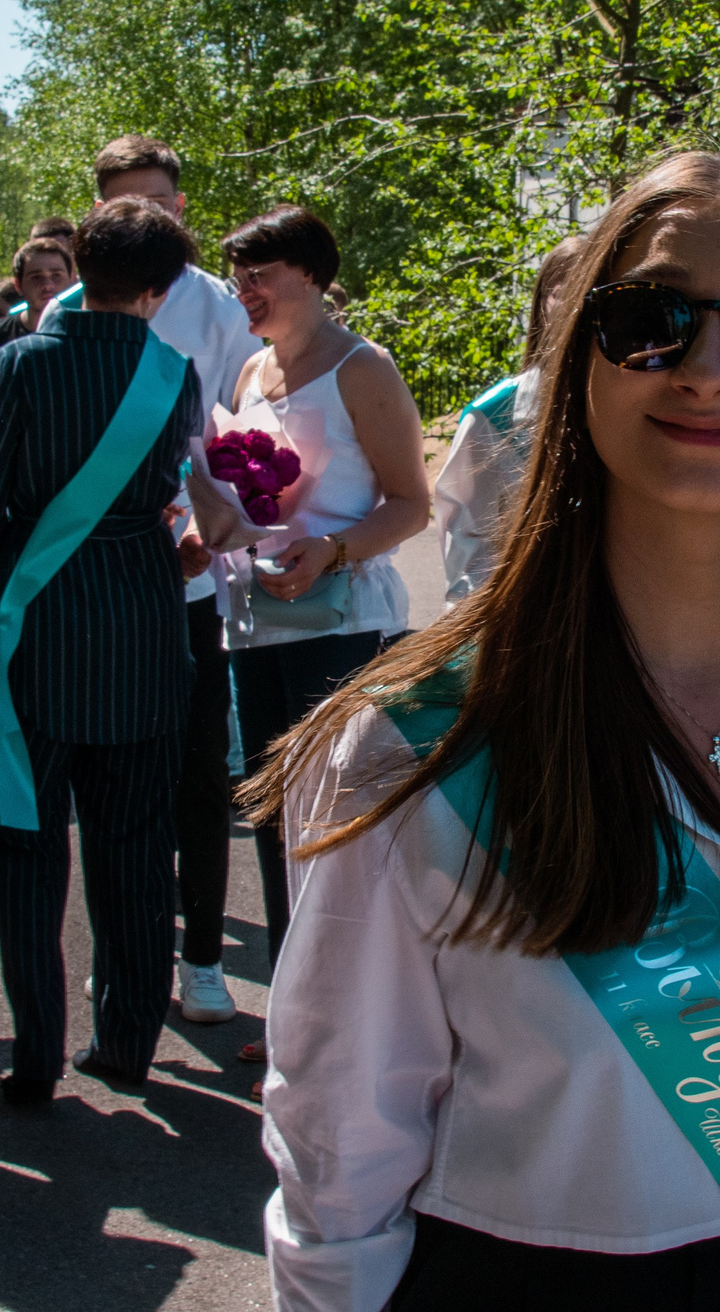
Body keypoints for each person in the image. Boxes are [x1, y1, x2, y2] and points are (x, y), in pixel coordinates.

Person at [250, 149, 720, 1311]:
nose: (707, 369)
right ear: (573, 370)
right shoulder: (417, 747)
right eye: (649, 322)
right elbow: (336, 1161)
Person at [0, 197, 209, 1102]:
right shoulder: (175, 373)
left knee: (23, 837)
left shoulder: (19, 362)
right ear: (162, 287)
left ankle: (34, 1053)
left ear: (78, 265)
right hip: (143, 622)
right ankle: (126, 1043)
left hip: (37, 623)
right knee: (135, 847)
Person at [57, 136, 262, 1024]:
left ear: (180, 210)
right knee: (111, 782)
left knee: (197, 773)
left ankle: (203, 955)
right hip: (93, 583)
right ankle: (125, 949)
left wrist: (211, 523)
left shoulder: (223, 310)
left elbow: (245, 436)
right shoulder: (64, 310)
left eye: (156, 202)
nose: (142, 217)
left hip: (192, 581)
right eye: (122, 204)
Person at [218, 206, 426, 990]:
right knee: (276, 822)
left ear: (310, 274)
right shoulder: (250, 372)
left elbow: (412, 504)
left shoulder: (362, 367)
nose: (244, 292)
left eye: (259, 277)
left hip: (344, 625)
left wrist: (332, 550)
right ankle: (293, 1011)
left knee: (340, 829)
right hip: (257, 622)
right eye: (237, 280)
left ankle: (355, 1012)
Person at [432, 236, 586, 600]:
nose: (578, 308)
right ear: (543, 303)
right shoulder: (494, 417)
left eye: (591, 293)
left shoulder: (642, 411)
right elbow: (468, 546)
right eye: (565, 293)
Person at [0, 219, 78, 358]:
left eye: (56, 275)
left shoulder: (85, 335)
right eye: (36, 277)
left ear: (71, 278)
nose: (47, 285)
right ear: (18, 285)